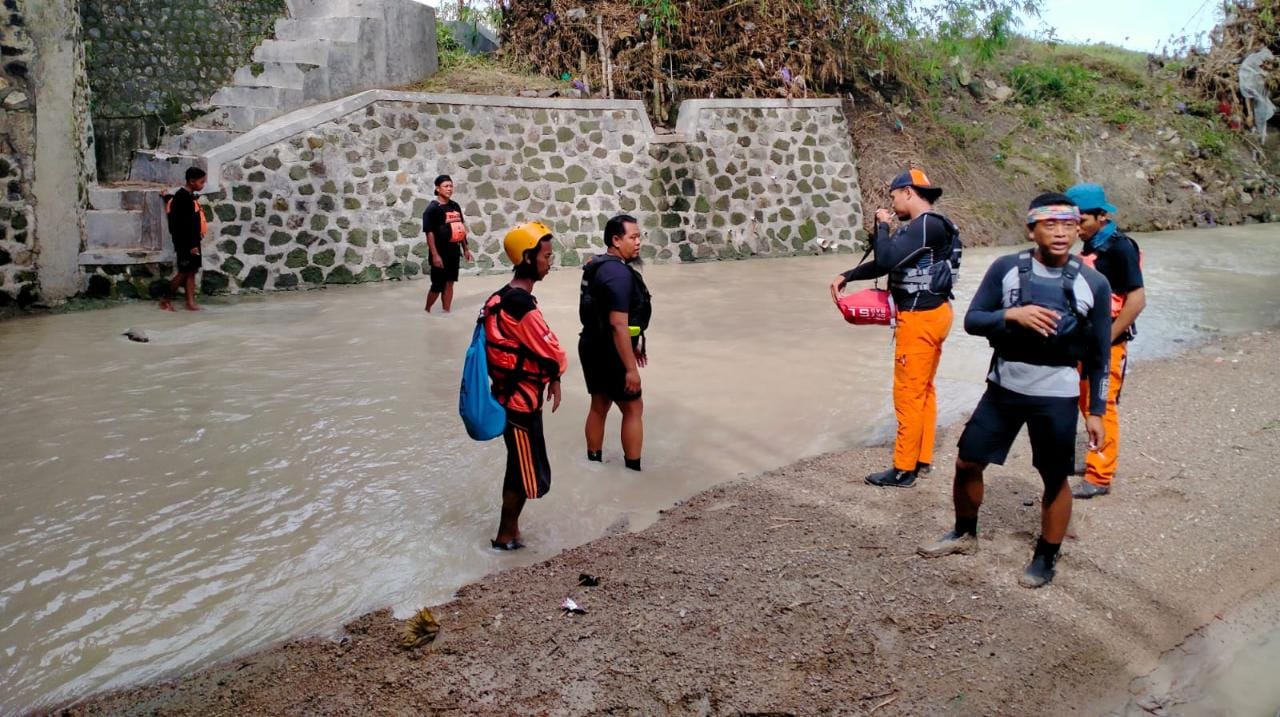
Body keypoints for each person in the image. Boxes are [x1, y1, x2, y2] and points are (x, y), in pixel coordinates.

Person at [917, 193, 1112, 589]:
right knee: (967, 462)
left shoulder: (1094, 282)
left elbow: (1100, 354)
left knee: (1054, 477)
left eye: (1068, 225)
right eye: (1050, 224)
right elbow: (973, 320)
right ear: (1031, 229)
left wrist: (1096, 411)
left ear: (1079, 230)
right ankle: (964, 533)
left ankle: (1046, 555)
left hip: (1058, 394)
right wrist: (1011, 314)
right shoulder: (1006, 269)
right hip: (1004, 386)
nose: (1060, 233)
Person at [830, 169, 961, 488]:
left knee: (908, 393)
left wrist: (883, 226)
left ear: (907, 192)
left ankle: (904, 469)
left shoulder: (925, 225)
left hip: (919, 319)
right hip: (935, 313)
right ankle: (922, 458)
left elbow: (887, 259)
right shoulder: (930, 227)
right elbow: (889, 261)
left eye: (892, 196)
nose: (892, 203)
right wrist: (848, 275)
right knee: (924, 389)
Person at [483, 221, 567, 550]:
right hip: (519, 402)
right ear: (529, 258)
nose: (550, 261)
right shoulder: (520, 305)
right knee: (521, 472)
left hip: (511, 397)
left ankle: (512, 531)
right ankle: (505, 535)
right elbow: (553, 350)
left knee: (517, 467)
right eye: (546, 255)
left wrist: (553, 377)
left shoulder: (500, 297)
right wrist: (557, 372)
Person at [1065, 183, 1146, 499]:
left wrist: (1105, 340)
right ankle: (1094, 460)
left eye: (1080, 221)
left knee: (1103, 405)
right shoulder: (1091, 247)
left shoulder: (1121, 248)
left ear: (1101, 216)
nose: (1076, 229)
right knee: (1086, 402)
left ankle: (1100, 476)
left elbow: (1137, 301)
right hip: (1086, 343)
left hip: (1108, 345)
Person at [579, 214, 652, 471]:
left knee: (599, 405)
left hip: (590, 345)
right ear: (616, 240)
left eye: (639, 236)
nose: (638, 242)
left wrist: (634, 344)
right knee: (633, 408)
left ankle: (594, 463)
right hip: (610, 350)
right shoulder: (618, 275)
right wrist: (631, 368)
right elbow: (617, 323)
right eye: (633, 237)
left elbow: (603, 316)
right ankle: (633, 471)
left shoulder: (598, 265)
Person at [159, 167, 208, 311]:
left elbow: (174, 207)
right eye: (201, 182)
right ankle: (165, 299)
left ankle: (190, 303)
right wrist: (191, 245)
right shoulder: (183, 198)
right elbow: (183, 224)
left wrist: (166, 197)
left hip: (192, 241)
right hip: (187, 243)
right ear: (192, 182)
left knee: (191, 270)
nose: (203, 185)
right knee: (184, 271)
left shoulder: (186, 196)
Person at [423, 175, 472, 313]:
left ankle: (446, 312)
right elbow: (429, 233)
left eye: (451, 186)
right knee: (437, 285)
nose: (449, 189)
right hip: (439, 252)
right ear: (438, 189)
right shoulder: (432, 209)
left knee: (450, 282)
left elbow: (460, 228)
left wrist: (466, 249)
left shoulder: (454, 206)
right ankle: (427, 310)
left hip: (454, 251)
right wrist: (435, 255)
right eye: (446, 186)